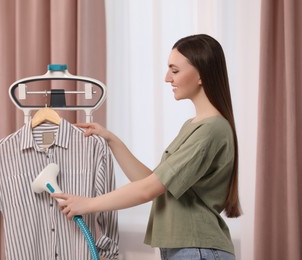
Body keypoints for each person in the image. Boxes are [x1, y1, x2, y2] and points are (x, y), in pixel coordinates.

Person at [52, 34, 241, 260]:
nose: (167, 78)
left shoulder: (211, 130)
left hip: (197, 249)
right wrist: (112, 140)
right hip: (185, 248)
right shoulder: (193, 126)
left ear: (201, 74)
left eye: (175, 70)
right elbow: (152, 183)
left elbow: (148, 189)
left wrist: (88, 204)